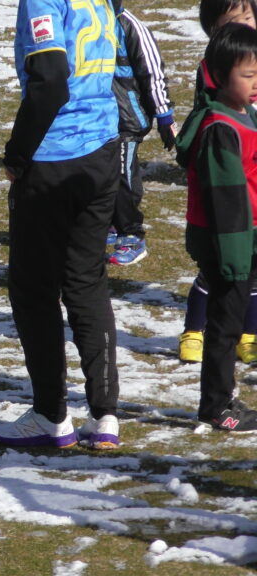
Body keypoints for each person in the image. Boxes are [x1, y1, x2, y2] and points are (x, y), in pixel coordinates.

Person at [0, 0, 121, 450]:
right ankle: (105, 413)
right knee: (87, 280)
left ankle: (50, 414)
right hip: (103, 148)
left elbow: (50, 79)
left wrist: (17, 152)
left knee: (34, 290)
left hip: (55, 157)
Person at [174, 23, 257, 432]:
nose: (256, 83)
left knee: (233, 318)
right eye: (248, 75)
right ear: (221, 76)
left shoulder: (245, 114)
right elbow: (226, 203)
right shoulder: (220, 128)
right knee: (225, 325)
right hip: (228, 242)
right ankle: (216, 405)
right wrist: (237, 256)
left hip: (244, 237)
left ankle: (224, 397)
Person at [107, 1, 177, 266]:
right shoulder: (88, 20)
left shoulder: (130, 26)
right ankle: (110, 224)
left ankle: (132, 234)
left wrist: (164, 116)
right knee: (101, 173)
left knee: (122, 174)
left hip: (127, 117)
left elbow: (153, 73)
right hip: (97, 117)